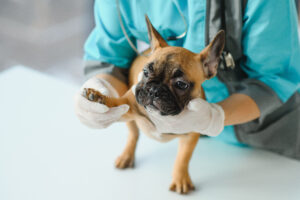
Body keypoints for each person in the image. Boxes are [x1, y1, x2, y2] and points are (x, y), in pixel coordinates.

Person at [75, 0, 300, 159]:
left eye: (179, 84)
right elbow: (110, 58)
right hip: (196, 150)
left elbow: (273, 77)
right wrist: (101, 92)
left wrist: (215, 117)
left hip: (266, 132)